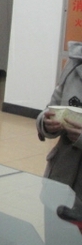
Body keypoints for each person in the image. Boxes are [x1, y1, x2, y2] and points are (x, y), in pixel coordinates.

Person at [36, 40, 82, 207]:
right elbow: (51, 107)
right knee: (54, 223)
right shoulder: (76, 61)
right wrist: (46, 123)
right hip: (60, 181)